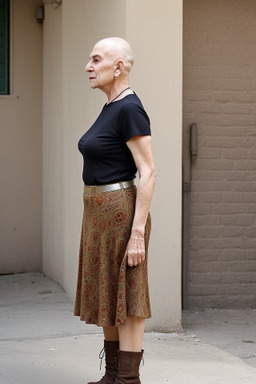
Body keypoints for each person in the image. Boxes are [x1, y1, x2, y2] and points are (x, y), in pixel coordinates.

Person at [74, 37, 156, 384]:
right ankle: (112, 376)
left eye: (96, 60)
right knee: (107, 291)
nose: (89, 67)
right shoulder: (111, 107)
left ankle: (127, 379)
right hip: (99, 214)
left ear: (118, 67)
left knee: (128, 292)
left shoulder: (129, 108)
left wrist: (137, 233)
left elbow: (148, 171)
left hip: (122, 215)